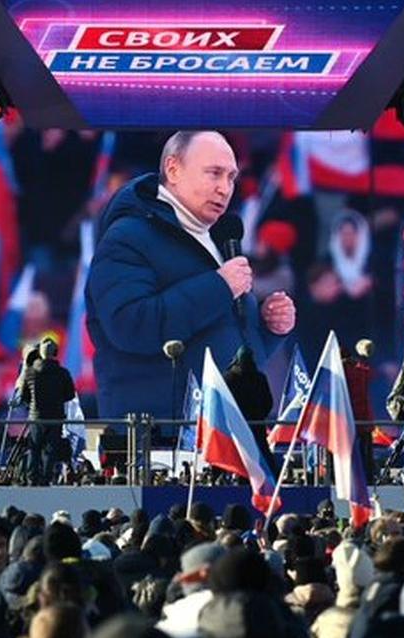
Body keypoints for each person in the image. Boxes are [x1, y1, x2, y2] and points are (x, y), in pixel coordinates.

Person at [86, 130, 295, 419]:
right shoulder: (127, 237)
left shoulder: (218, 242)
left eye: (232, 177)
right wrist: (220, 287)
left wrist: (269, 330)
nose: (225, 188)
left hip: (225, 431)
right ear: (173, 169)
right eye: (214, 173)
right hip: (157, 439)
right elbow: (131, 326)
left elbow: (229, 350)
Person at [20, 339, 75, 486]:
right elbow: (70, 395)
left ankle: (32, 480)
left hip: (35, 418)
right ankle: (46, 480)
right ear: (55, 353)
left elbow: (23, 396)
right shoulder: (63, 373)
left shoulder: (29, 372)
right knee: (50, 451)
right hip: (55, 418)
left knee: (34, 449)